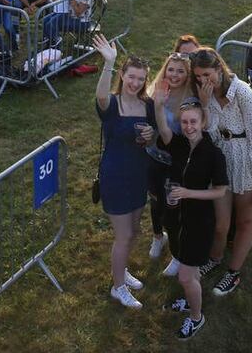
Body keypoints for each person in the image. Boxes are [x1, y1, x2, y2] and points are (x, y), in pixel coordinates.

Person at [189, 47, 252, 297]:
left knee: (244, 220)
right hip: (222, 161)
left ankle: (233, 271)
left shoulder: (243, 93)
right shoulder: (207, 95)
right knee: (220, 223)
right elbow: (210, 133)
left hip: (246, 159)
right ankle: (214, 258)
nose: (203, 81)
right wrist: (204, 105)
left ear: (218, 68)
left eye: (207, 74)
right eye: (198, 77)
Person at [152, 92, 228, 340]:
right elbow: (163, 130)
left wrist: (187, 193)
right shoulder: (179, 144)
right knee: (190, 270)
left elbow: (220, 191)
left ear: (203, 122)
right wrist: (158, 105)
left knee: (185, 275)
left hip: (199, 223)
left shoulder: (214, 154)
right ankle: (190, 300)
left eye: (193, 122)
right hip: (178, 220)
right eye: (184, 122)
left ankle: (196, 317)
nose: (189, 127)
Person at [93, 34, 154, 310]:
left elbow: (150, 138)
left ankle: (123, 271)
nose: (135, 83)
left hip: (139, 174)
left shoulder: (147, 105)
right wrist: (108, 62)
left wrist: (149, 135)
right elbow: (100, 96)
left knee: (134, 230)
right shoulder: (113, 104)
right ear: (122, 75)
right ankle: (118, 287)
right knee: (123, 235)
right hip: (115, 176)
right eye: (131, 77)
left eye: (141, 79)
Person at [146, 51, 194, 265]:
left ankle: (177, 252)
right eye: (171, 69)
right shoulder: (155, 89)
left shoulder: (189, 99)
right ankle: (158, 237)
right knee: (155, 201)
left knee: (172, 208)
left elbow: (169, 138)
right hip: (153, 157)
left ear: (187, 75)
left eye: (180, 71)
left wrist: (157, 108)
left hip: (175, 161)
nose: (174, 75)